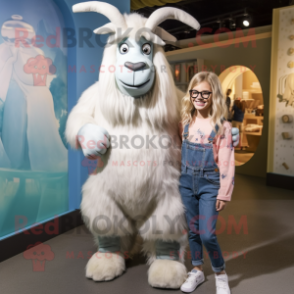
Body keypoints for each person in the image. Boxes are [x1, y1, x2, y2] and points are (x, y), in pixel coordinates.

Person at [178, 71, 235, 294]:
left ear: (214, 95)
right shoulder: (184, 122)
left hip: (210, 184)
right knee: (192, 231)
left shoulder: (223, 126)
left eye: (205, 93)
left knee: (207, 234)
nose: (199, 97)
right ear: (190, 94)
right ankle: (197, 270)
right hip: (185, 183)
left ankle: (220, 273)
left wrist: (224, 192)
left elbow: (228, 162)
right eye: (195, 92)